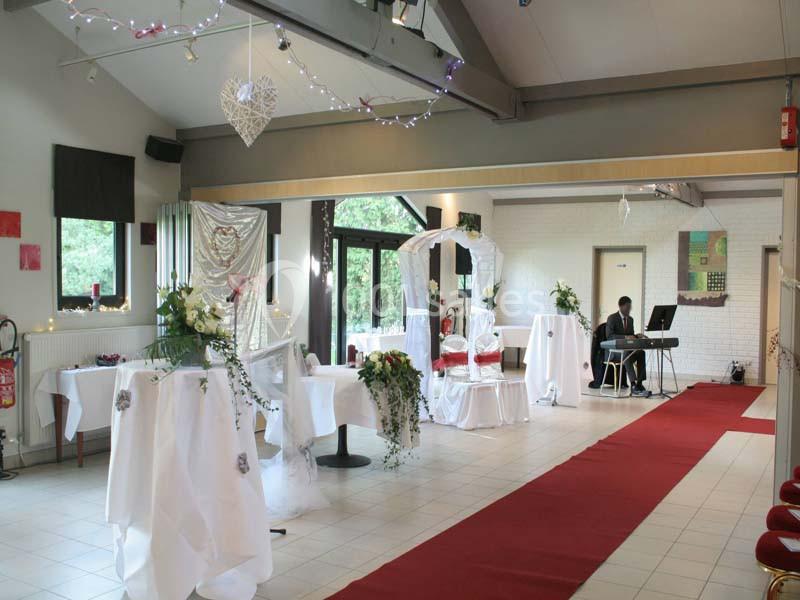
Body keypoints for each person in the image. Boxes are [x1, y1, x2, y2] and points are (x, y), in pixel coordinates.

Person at [606, 296, 648, 396]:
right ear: (621, 306)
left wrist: (637, 336)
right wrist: (625, 337)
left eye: (630, 307)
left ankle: (639, 383)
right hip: (614, 352)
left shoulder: (630, 320)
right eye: (627, 307)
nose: (629, 309)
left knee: (641, 352)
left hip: (626, 350)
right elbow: (609, 336)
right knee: (627, 354)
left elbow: (631, 336)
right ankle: (633, 385)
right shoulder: (612, 318)